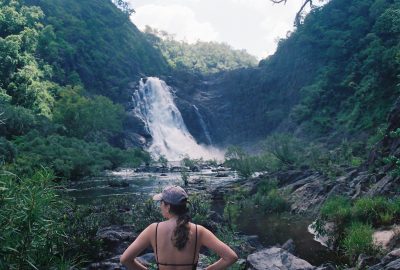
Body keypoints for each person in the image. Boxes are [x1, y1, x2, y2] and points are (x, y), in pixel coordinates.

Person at [120, 185, 238, 270]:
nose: (160, 205)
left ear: (167, 206)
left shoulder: (153, 229)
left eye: (161, 202)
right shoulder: (198, 230)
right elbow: (231, 257)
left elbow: (125, 259)